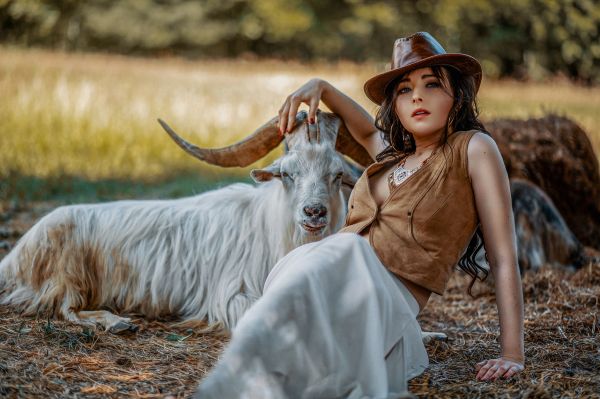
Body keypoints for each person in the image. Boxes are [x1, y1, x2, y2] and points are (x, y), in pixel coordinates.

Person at [193, 32, 524, 398]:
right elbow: (365, 129)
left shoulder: (473, 149)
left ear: (457, 95)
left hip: (379, 293)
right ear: (395, 106)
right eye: (403, 90)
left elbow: (503, 257)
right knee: (272, 351)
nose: (416, 96)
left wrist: (513, 354)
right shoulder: (392, 159)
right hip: (328, 268)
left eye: (432, 84)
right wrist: (321, 87)